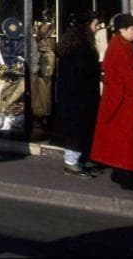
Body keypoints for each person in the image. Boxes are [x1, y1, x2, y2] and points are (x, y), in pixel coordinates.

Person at [90, 13, 133, 191]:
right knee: (130, 142)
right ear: (122, 30)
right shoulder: (122, 48)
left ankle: (124, 174)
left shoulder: (121, 45)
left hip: (124, 101)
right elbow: (130, 78)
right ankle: (128, 176)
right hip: (128, 103)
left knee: (125, 142)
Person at [52, 11, 102, 179]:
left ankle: (76, 161)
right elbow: (84, 72)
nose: (98, 28)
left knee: (77, 129)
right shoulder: (82, 47)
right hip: (80, 96)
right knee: (77, 129)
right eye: (95, 24)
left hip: (73, 95)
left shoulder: (72, 44)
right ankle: (72, 163)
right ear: (87, 26)